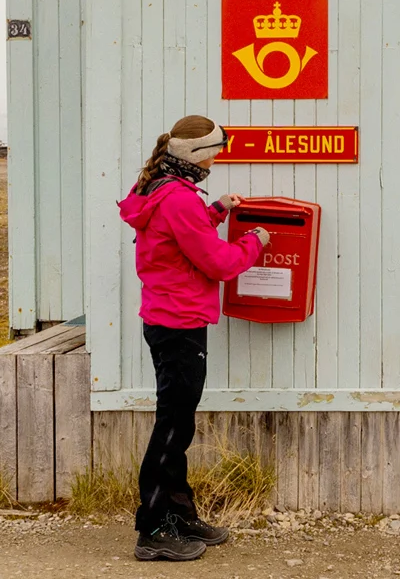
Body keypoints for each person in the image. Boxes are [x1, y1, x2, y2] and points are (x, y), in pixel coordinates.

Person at [118, 115, 271, 562]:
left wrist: (216, 210)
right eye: (214, 154)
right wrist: (256, 242)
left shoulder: (160, 188)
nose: (215, 161)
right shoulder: (179, 198)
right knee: (173, 427)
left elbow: (179, 236)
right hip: (179, 323)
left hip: (166, 317)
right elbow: (219, 262)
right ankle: (153, 529)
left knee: (178, 424)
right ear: (196, 156)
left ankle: (180, 515)